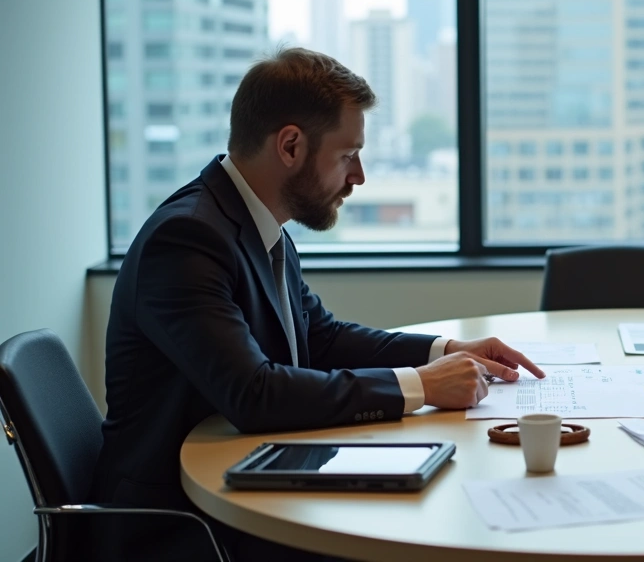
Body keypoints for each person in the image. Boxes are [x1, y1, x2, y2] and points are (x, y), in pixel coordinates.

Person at [90, 47, 544, 561]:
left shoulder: (257, 225)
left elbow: (321, 337)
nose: (360, 177)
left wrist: (442, 351)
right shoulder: (189, 237)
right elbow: (254, 393)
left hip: (251, 480)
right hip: (185, 527)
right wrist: (421, 386)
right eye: (348, 155)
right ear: (290, 145)